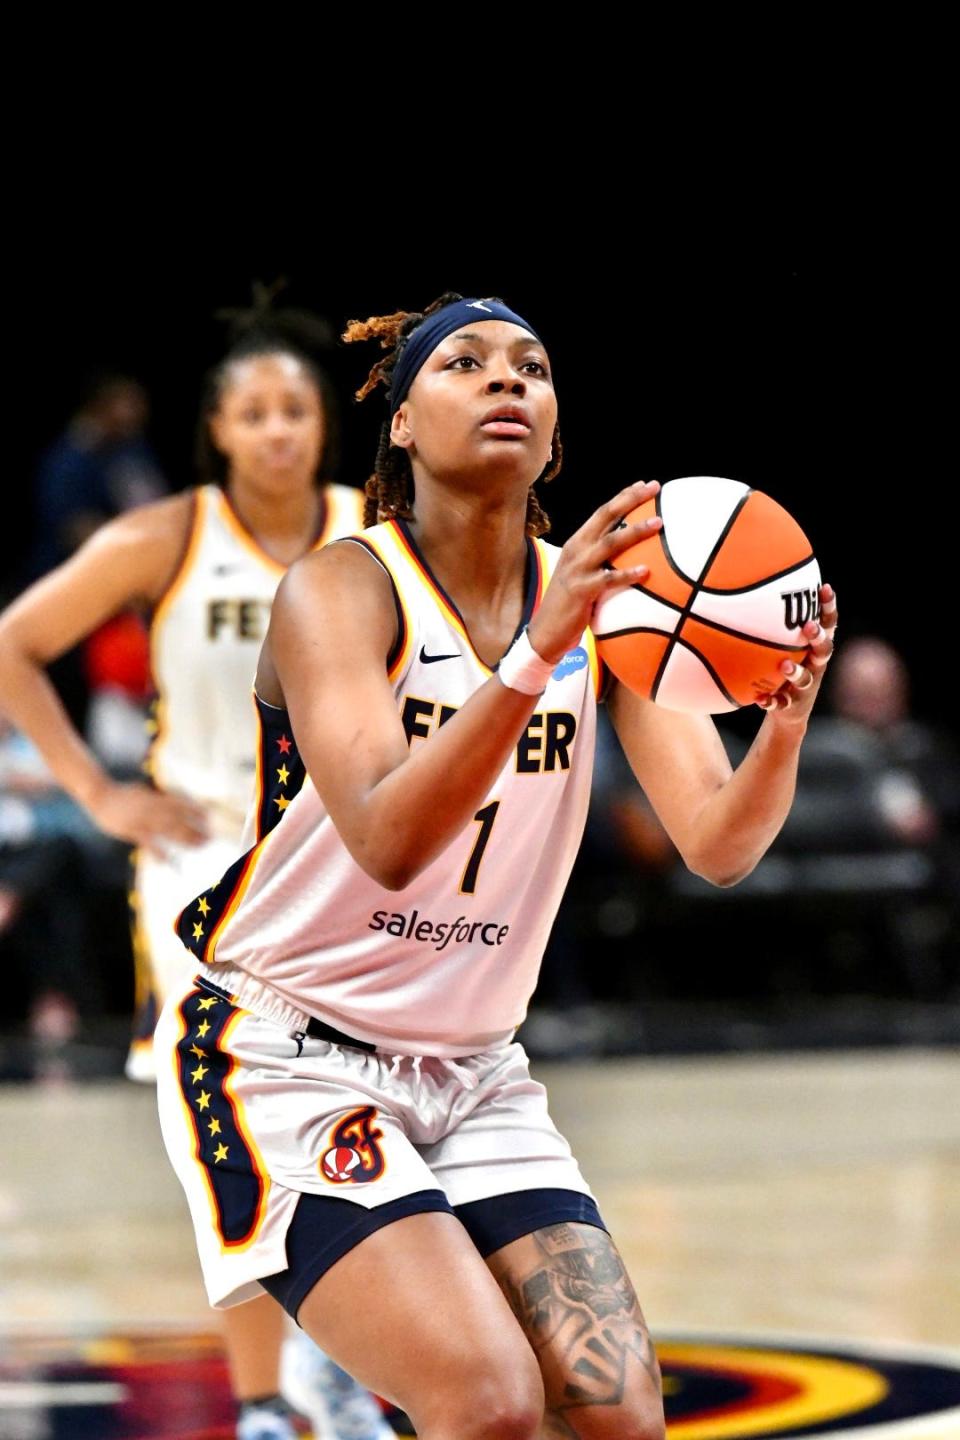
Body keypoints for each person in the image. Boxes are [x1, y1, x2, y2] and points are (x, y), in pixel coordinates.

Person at [148, 291, 837, 1440]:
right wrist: (533, 654)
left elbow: (718, 844)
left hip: (474, 1073)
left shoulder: (606, 612)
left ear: (555, 432)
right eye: (466, 364)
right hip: (285, 1056)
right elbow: (385, 838)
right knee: (489, 1401)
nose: (507, 379)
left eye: (532, 367)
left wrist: (786, 719)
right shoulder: (341, 589)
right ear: (404, 424)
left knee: (622, 1419)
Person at [0, 305, 393, 1440]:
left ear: (323, 425)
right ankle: (269, 1398)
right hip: (201, 872)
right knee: (227, 1133)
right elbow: (16, 644)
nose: (277, 431)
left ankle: (338, 1359)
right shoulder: (167, 537)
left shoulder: (373, 530)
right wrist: (101, 794)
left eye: (297, 410)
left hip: (351, 869)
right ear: (219, 429)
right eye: (254, 412)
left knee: (359, 1119)